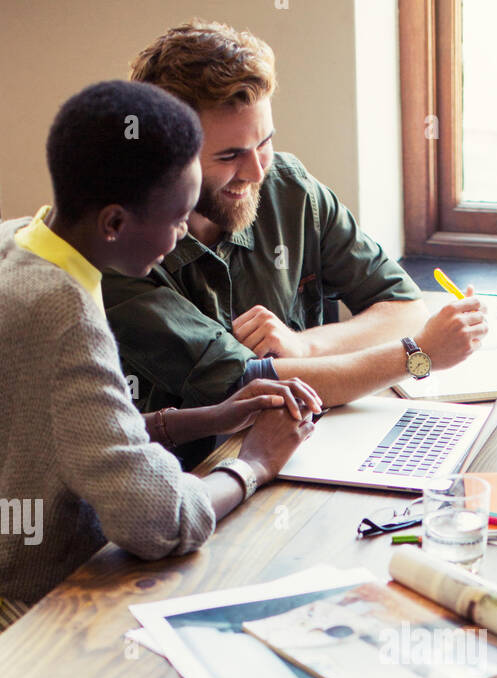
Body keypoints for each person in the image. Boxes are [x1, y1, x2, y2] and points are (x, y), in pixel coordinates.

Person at [0, 80, 321, 630]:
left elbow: (73, 433)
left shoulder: (20, 245)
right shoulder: (64, 313)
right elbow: (158, 521)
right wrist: (257, 464)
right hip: (37, 608)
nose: (183, 234)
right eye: (176, 218)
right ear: (115, 223)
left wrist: (212, 417)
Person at [104, 19, 488, 467]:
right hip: (188, 487)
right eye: (228, 156)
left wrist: (306, 347)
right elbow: (252, 386)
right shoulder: (117, 254)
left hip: (308, 447)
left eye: (264, 142)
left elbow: (403, 305)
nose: (255, 172)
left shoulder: (290, 188)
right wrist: (418, 356)